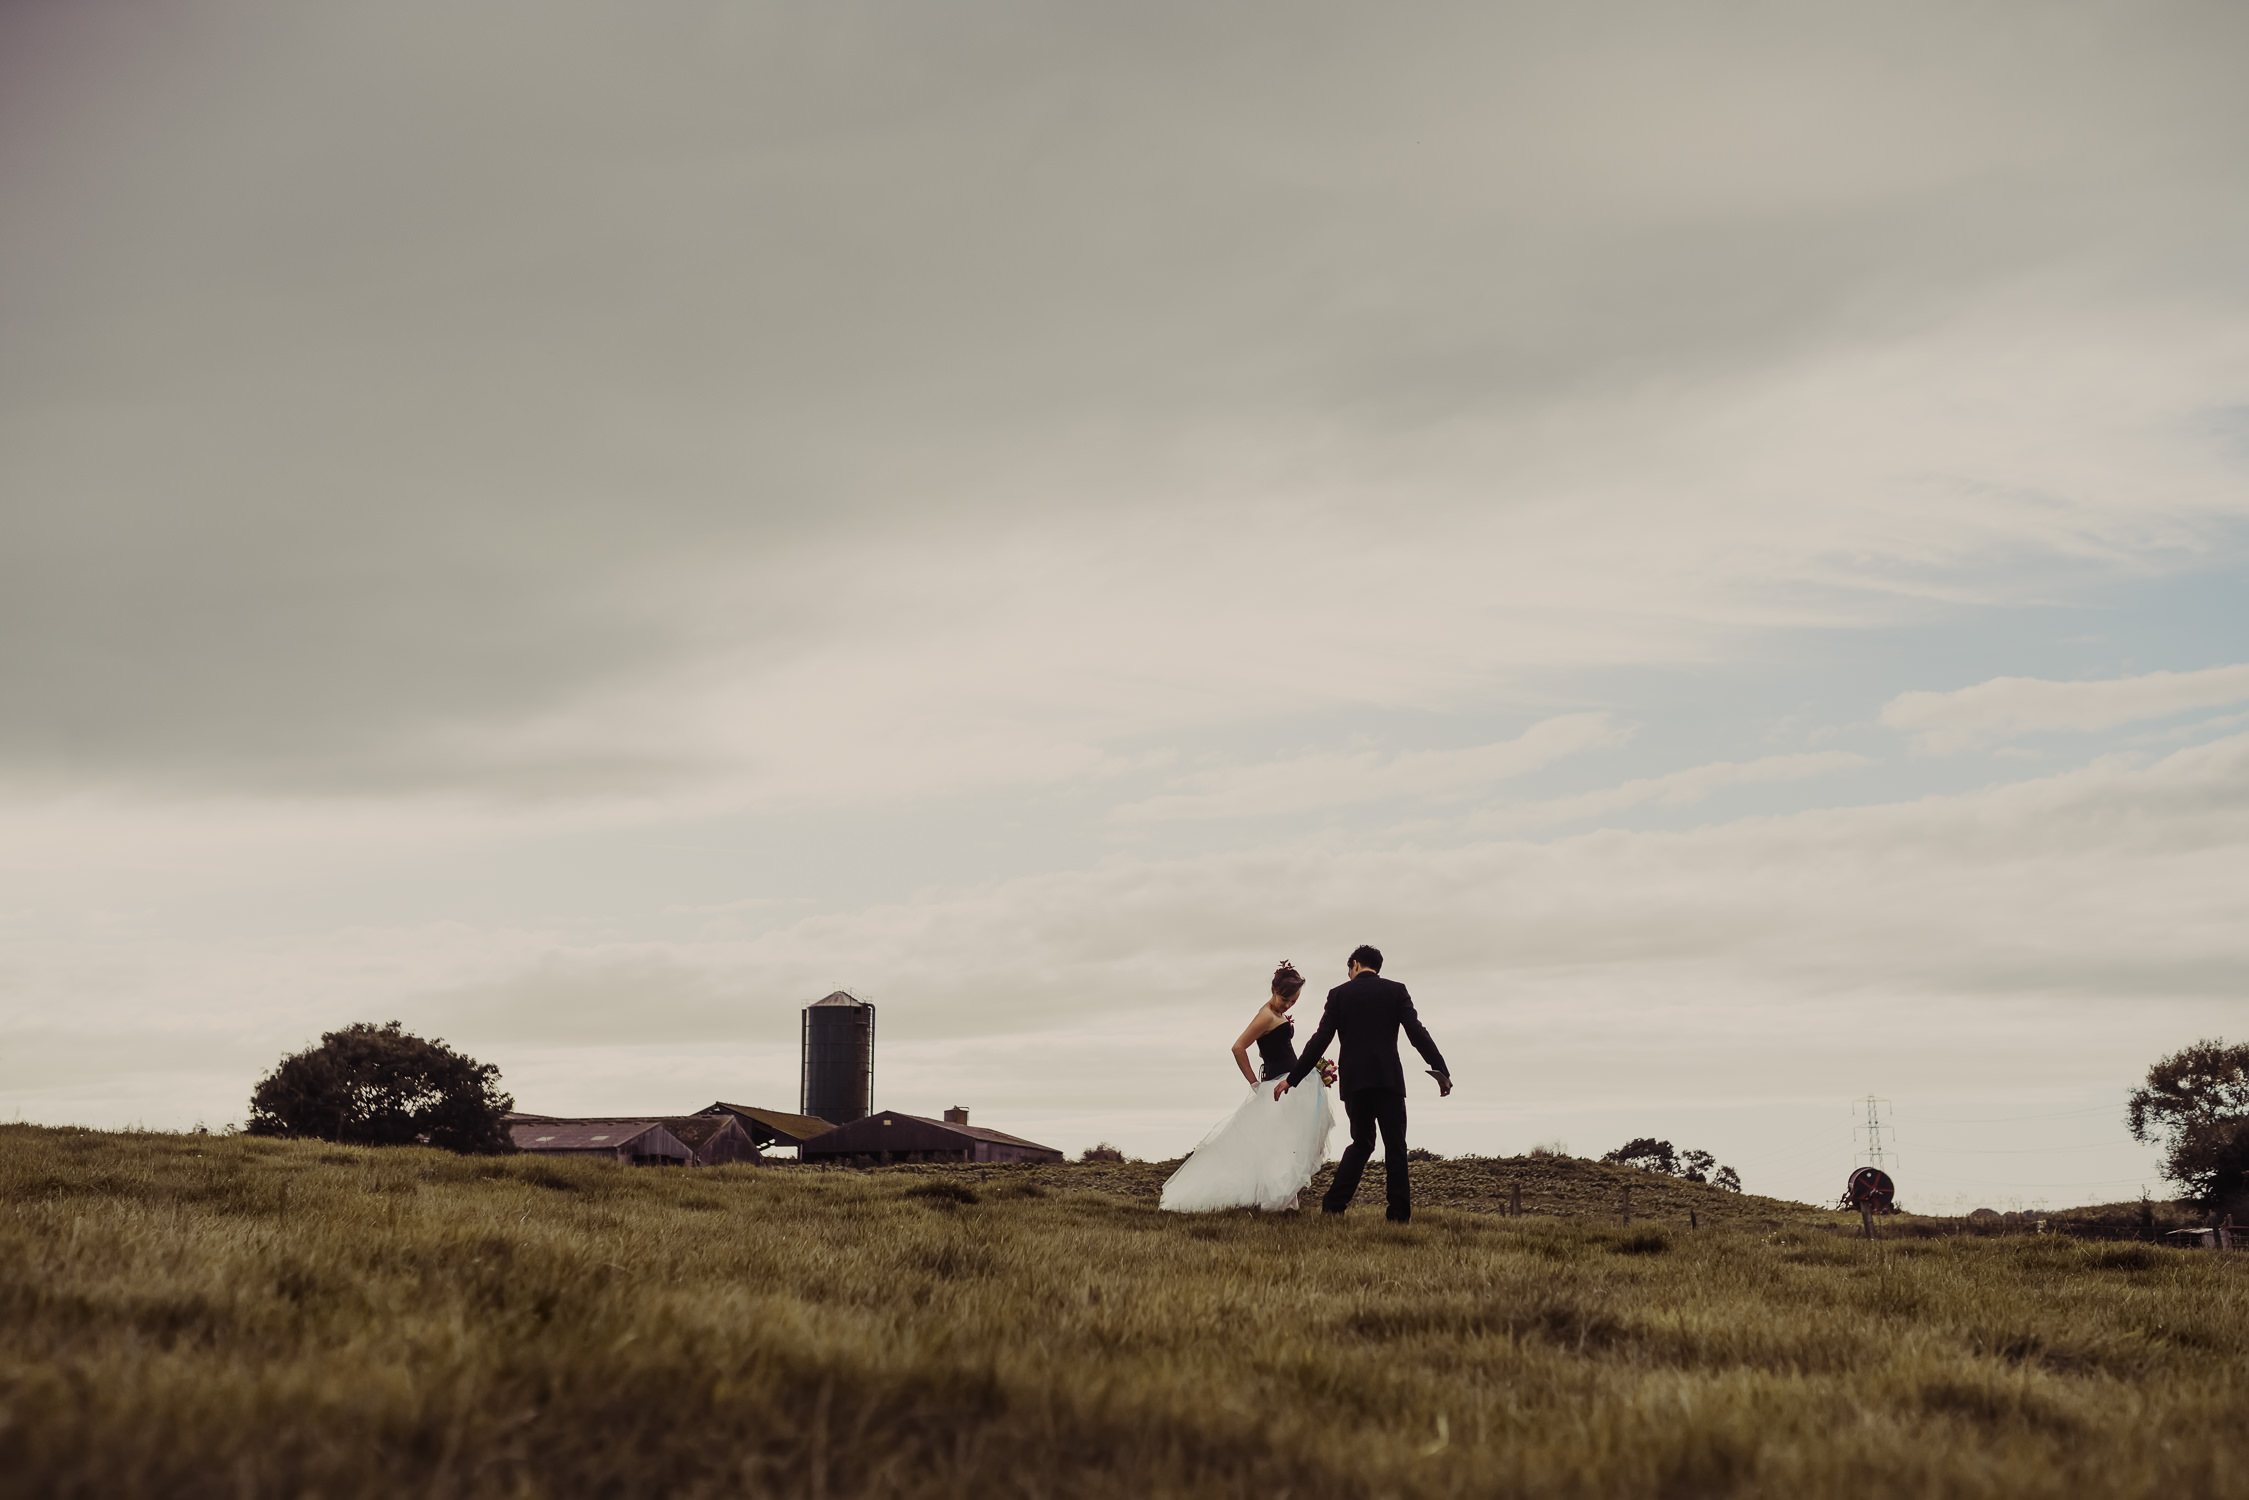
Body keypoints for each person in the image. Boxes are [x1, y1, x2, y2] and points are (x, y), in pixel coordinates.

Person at [1274, 944, 1451, 1223]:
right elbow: (1417, 1032)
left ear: (1355, 964)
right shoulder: (1396, 991)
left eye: (1349, 969)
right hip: (1388, 1079)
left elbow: (1320, 1040)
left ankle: (1333, 1206)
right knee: (1395, 1146)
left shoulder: (1338, 995)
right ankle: (1398, 1216)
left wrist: (1292, 1079)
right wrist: (1440, 1068)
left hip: (1356, 1082)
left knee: (1362, 1142)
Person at [1159, 962, 1337, 1213]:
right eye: (1285, 999)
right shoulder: (1265, 1015)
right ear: (1274, 989)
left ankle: (1285, 1199)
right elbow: (1238, 1047)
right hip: (1277, 1085)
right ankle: (1275, 1200)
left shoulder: (1277, 1014)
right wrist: (1254, 1082)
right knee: (1279, 1144)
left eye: (1293, 1002)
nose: (1287, 1005)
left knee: (1287, 1144)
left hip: (1289, 1081)